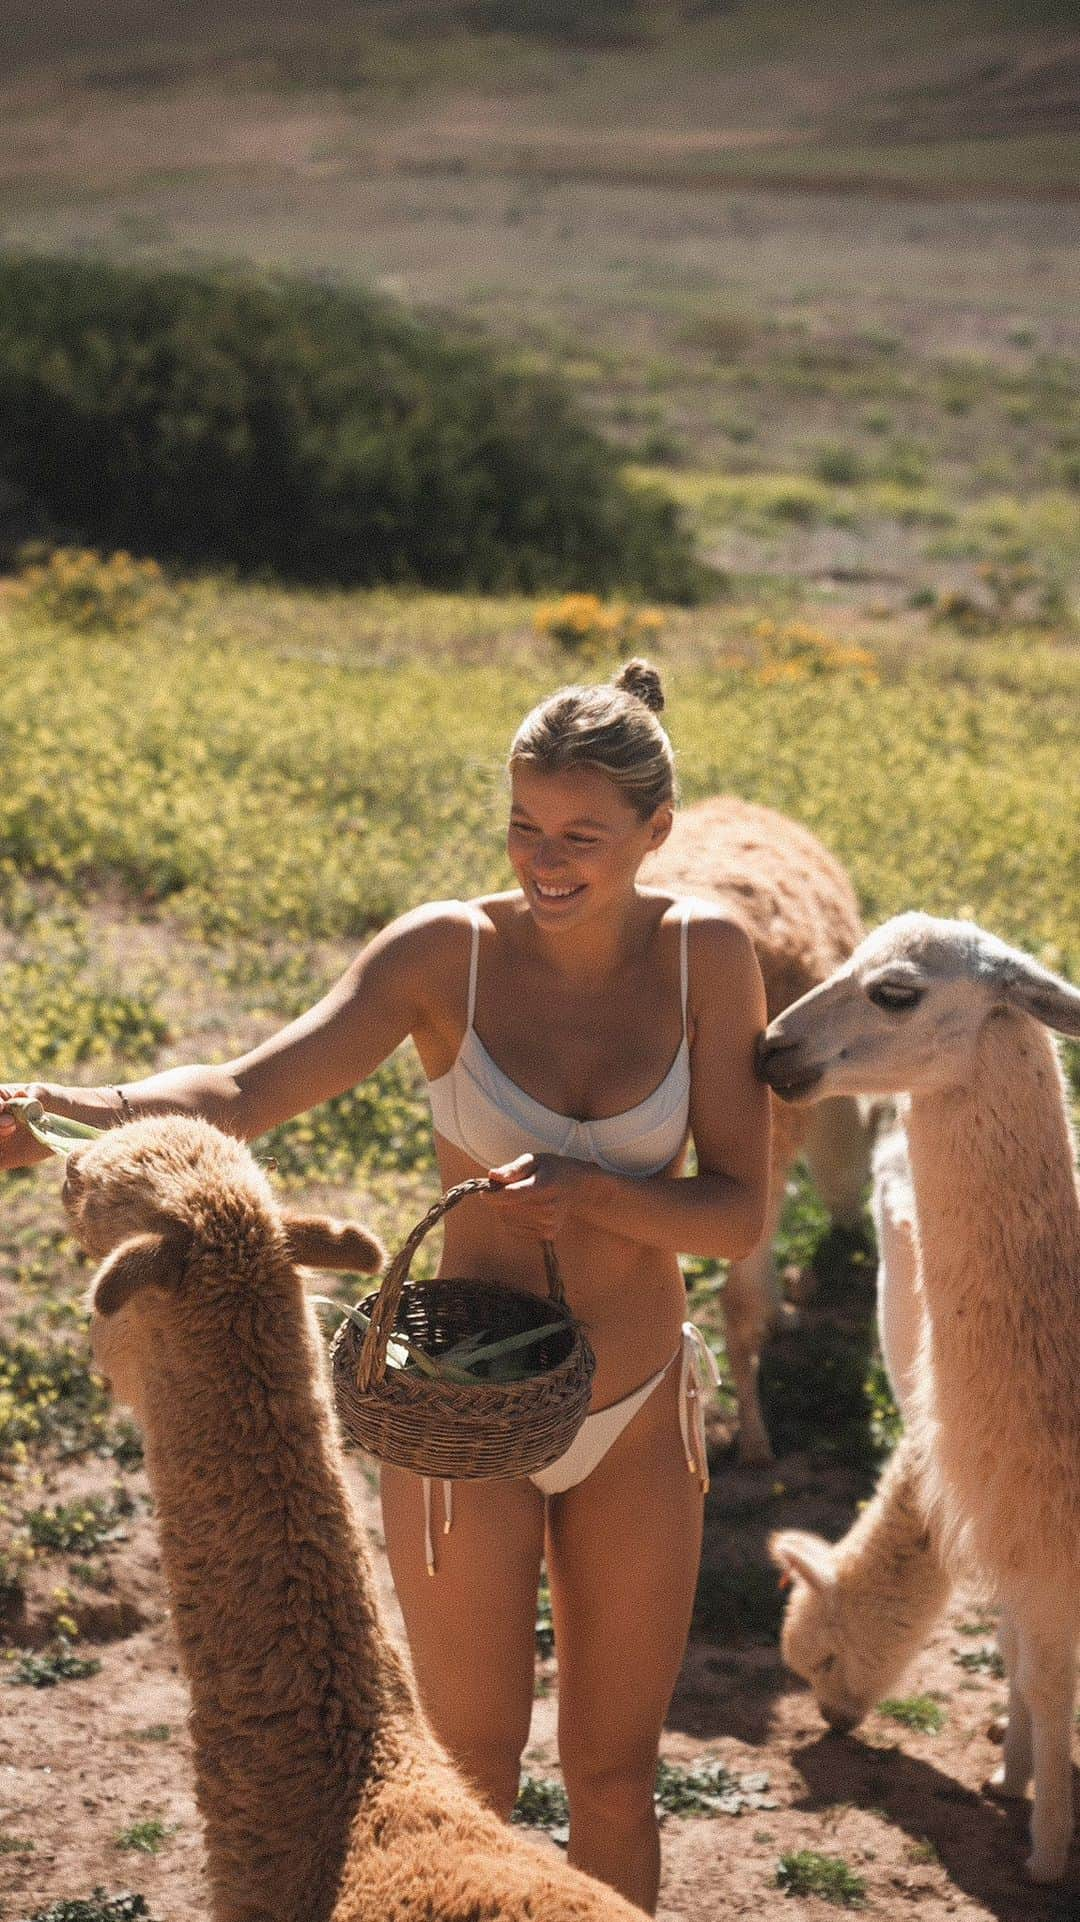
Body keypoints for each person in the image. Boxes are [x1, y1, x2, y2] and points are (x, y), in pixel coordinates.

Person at [0, 658, 770, 1915]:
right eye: (525, 825)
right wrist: (71, 1109)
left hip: (637, 1409)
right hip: (453, 1425)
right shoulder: (441, 954)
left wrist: (593, 1190)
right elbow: (243, 1093)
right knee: (466, 1782)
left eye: (581, 834)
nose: (544, 857)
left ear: (656, 832)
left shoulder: (709, 957)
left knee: (618, 1777)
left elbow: (738, 1212)